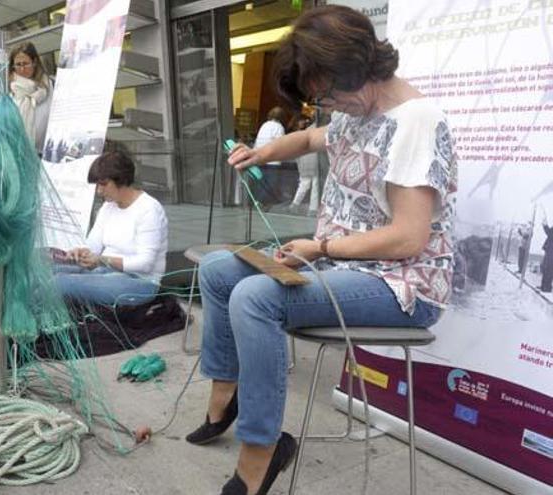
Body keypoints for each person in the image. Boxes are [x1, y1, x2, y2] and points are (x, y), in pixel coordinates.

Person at [189, 6, 457, 495]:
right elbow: (313, 137)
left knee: (254, 296)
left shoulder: (415, 120)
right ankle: (225, 397)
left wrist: (321, 246)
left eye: (327, 92)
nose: (326, 104)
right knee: (217, 270)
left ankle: (262, 449)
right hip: (339, 263)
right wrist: (261, 152)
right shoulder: (356, 111)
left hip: (401, 284)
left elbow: (409, 238)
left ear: (357, 65)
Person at [54, 151, 168, 306]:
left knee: (60, 283)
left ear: (121, 180)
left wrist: (102, 260)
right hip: (106, 272)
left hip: (140, 282)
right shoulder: (108, 206)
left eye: (104, 184)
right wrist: (81, 252)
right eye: (97, 185)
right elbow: (93, 246)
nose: (99, 191)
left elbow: (145, 264)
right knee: (47, 272)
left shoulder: (149, 210)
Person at [9, 42, 53, 153]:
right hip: (20, 155)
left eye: (26, 64)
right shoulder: (10, 92)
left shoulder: (49, 86)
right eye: (18, 65)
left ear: (34, 62)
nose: (22, 69)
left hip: (48, 153)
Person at [252, 106, 287, 206]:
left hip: (261, 158)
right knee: (272, 182)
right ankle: (263, 201)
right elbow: (281, 143)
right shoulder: (279, 127)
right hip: (273, 160)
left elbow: (258, 142)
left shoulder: (264, 125)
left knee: (262, 181)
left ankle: (259, 200)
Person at [288, 115, 319, 215]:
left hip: (304, 161)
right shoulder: (320, 129)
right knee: (316, 184)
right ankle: (313, 208)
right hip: (316, 161)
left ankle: (295, 204)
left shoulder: (307, 131)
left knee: (304, 183)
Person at [541, 215, 552, 293]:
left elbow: (549, 233)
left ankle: (547, 287)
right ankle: (543, 286)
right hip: (549, 250)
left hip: (551, 252)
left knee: (549, 269)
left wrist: (545, 225)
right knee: (546, 268)